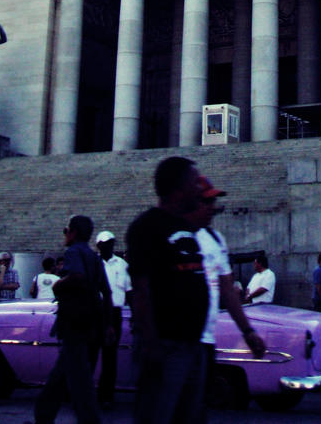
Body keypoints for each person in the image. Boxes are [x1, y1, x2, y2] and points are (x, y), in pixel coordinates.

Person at [126, 155, 210, 424]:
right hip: (166, 344)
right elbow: (141, 288)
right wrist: (150, 343)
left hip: (193, 344)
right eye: (193, 182)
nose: (200, 188)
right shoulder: (147, 227)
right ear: (178, 188)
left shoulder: (187, 228)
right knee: (157, 415)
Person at [33, 214, 112, 424]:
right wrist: (108, 324)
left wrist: (59, 285)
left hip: (74, 323)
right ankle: (43, 416)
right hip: (90, 324)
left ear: (73, 232)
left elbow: (77, 277)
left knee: (80, 382)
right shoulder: (94, 257)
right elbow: (107, 291)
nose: (65, 235)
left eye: (66, 230)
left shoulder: (73, 252)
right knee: (61, 377)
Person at [189, 176, 266, 392]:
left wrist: (248, 331)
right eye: (207, 202)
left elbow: (228, 290)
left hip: (204, 340)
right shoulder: (173, 235)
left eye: (214, 202)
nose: (213, 208)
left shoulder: (216, 240)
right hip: (172, 343)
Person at [94, 231, 130, 410]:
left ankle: (106, 395)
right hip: (95, 312)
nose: (109, 246)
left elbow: (129, 290)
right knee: (90, 354)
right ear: (98, 246)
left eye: (111, 243)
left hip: (115, 312)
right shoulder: (93, 263)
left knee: (110, 356)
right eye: (105, 243)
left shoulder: (122, 264)